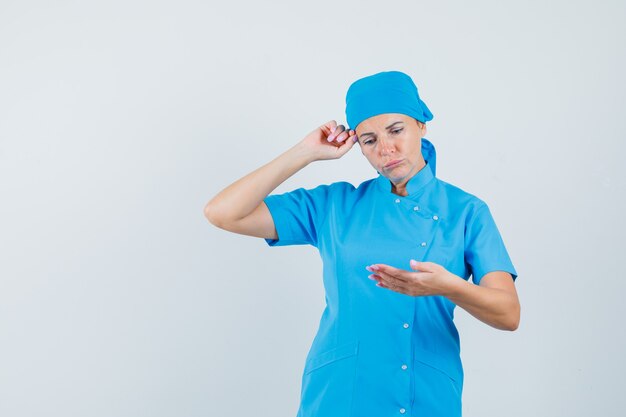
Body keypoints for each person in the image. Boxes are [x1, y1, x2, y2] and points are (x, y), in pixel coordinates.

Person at [204, 70, 520, 417]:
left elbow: (508, 313)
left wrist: (450, 287)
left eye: (396, 130)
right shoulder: (333, 206)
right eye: (369, 140)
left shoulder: (466, 212)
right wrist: (304, 152)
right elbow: (223, 213)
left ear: (422, 125)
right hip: (341, 394)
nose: (386, 148)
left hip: (426, 396)